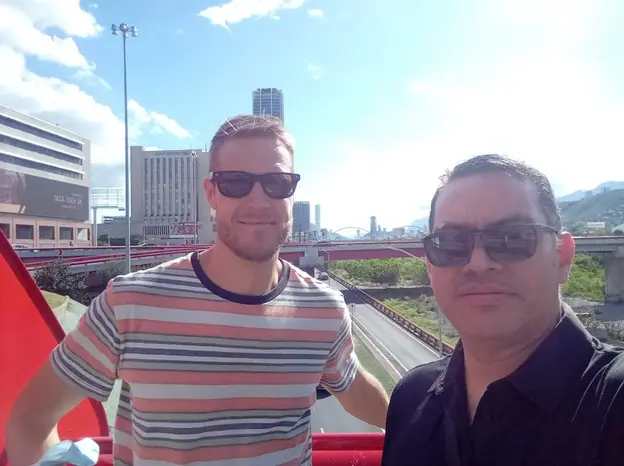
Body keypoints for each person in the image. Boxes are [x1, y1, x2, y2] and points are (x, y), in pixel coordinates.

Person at [6, 115, 389, 465]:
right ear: (211, 193)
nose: (258, 200)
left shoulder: (323, 309)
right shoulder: (130, 303)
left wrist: (423, 419)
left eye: (276, 183)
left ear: (292, 192)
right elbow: (31, 418)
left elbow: (355, 391)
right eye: (236, 182)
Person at [382, 154, 624, 465]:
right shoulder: (410, 398)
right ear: (430, 265)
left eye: (513, 238)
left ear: (562, 257)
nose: (479, 263)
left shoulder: (613, 401)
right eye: (451, 242)